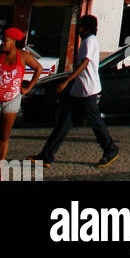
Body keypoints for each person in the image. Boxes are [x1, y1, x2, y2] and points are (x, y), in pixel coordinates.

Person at [37, 14, 118, 169]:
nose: (78, 28)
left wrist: (67, 81)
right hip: (79, 89)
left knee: (95, 122)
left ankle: (110, 149)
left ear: (86, 28)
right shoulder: (87, 41)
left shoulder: (90, 41)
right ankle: (46, 155)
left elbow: (84, 64)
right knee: (64, 123)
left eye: (80, 25)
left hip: (87, 89)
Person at [0, 27, 43, 174]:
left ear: (13, 42)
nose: (2, 43)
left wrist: (28, 88)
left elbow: (38, 68)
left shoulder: (23, 56)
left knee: (4, 136)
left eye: (5, 41)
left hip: (11, 100)